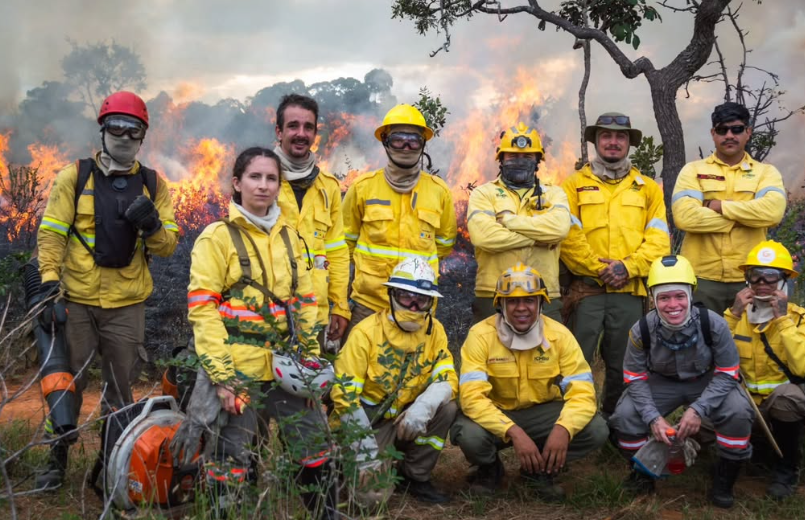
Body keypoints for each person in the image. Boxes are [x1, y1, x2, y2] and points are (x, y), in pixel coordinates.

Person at [34, 91, 179, 489]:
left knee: (120, 391)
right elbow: (51, 235)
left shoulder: (153, 184)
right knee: (70, 384)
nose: (124, 135)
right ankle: (56, 456)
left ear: (143, 136)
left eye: (133, 129)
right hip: (78, 300)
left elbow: (167, 247)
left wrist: (152, 226)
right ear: (102, 129)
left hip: (127, 306)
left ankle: (113, 465)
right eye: (116, 126)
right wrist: (49, 284)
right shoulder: (74, 177)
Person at [185, 147, 336, 518]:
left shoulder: (291, 238)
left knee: (315, 449)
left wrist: (309, 359)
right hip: (239, 372)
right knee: (231, 459)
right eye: (255, 177)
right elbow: (203, 312)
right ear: (237, 183)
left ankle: (328, 514)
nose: (264, 186)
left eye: (271, 178)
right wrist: (222, 378)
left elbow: (305, 301)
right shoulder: (215, 238)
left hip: (288, 370)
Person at [450, 264, 608, 501]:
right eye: (512, 301)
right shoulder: (479, 335)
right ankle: (489, 469)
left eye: (530, 301)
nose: (521, 308)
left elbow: (583, 393)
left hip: (543, 414)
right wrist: (514, 433)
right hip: (497, 412)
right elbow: (472, 398)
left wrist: (563, 428)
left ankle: (541, 470)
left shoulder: (560, 335)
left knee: (595, 430)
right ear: (500, 305)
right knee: (469, 435)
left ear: (541, 304)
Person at [609, 255, 754, 509]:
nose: (672, 305)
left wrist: (699, 409)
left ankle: (724, 477)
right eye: (664, 298)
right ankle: (643, 474)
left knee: (738, 411)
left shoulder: (714, 323)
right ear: (652, 298)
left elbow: (728, 371)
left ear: (690, 295)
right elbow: (635, 377)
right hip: (661, 382)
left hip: (707, 381)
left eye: (679, 296)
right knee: (625, 415)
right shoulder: (641, 329)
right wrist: (653, 417)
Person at [560, 112, 670, 416]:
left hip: (628, 294)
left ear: (629, 143)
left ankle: (615, 425)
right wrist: (599, 268)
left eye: (620, 136)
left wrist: (628, 267)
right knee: (574, 363)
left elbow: (659, 240)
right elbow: (568, 237)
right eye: (605, 136)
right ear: (596, 141)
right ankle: (573, 428)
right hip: (586, 293)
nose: (612, 142)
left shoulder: (647, 188)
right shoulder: (573, 185)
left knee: (624, 365)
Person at [330, 257, 458, 505]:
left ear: (430, 302)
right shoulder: (365, 333)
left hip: (407, 416)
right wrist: (365, 450)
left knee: (447, 407)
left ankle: (416, 475)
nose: (412, 305)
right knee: (372, 500)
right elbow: (344, 397)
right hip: (368, 422)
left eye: (420, 299)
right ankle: (345, 463)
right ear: (391, 295)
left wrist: (424, 407)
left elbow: (448, 377)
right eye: (405, 295)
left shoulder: (435, 330)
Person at [342, 104, 457, 338]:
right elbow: (344, 244)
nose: (406, 146)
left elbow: (444, 244)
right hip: (368, 305)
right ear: (385, 141)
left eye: (413, 140)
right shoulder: (363, 188)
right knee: (355, 369)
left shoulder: (439, 192)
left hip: (418, 306)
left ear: (423, 144)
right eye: (398, 139)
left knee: (414, 372)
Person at [672, 102, 787, 313]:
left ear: (748, 132)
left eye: (737, 129)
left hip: (751, 279)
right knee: (702, 342)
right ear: (713, 133)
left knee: (747, 343)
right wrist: (745, 217)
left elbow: (772, 213)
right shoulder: (692, 171)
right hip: (702, 279)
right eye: (722, 130)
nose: (729, 135)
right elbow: (685, 217)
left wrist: (718, 206)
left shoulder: (766, 173)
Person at [725, 240, 805, 499]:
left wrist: (781, 321)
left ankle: (787, 467)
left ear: (784, 281)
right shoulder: (736, 317)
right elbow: (710, 359)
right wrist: (734, 315)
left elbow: (802, 367)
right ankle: (731, 462)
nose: (761, 282)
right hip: (746, 405)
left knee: (787, 397)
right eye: (754, 275)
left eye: (770, 277)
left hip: (783, 407)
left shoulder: (799, 319)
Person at [467, 122, 571, 323]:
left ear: (538, 160)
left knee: (548, 353)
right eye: (513, 156)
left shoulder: (555, 193)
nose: (520, 161)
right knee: (491, 353)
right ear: (501, 159)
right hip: (492, 293)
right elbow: (484, 238)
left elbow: (559, 230)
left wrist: (508, 221)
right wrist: (538, 238)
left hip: (544, 293)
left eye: (527, 156)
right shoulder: (483, 193)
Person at [274, 94, 350, 350]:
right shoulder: (261, 181)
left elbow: (337, 252)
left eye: (308, 127)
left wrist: (340, 306)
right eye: (293, 125)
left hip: (313, 317)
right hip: (266, 313)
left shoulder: (328, 188)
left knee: (308, 387)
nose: (301, 133)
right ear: (279, 131)